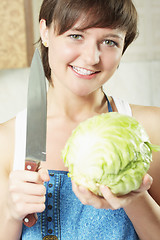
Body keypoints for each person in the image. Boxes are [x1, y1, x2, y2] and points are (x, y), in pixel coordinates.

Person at [0, 0, 160, 239]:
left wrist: (134, 197)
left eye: (109, 41)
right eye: (76, 35)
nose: (91, 57)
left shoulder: (150, 127)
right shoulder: (7, 141)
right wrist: (11, 215)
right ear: (45, 31)